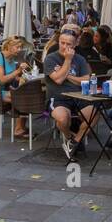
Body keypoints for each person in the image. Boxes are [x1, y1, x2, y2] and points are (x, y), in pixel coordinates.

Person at [44, 29, 96, 161]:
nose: (65, 46)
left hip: (79, 96)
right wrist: (68, 60)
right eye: (62, 43)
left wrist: (66, 74)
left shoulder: (80, 59)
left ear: (75, 45)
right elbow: (58, 80)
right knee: (62, 118)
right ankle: (68, 137)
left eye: (69, 44)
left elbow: (86, 80)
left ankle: (75, 142)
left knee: (95, 113)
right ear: (58, 42)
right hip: (58, 98)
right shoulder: (51, 58)